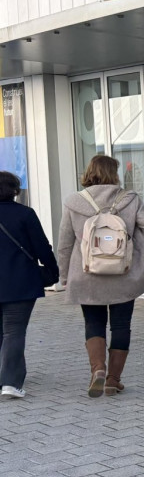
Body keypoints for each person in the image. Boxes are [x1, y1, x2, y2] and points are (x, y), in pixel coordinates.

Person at [58, 155, 144, 398]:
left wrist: (64, 275)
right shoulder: (129, 199)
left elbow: (65, 243)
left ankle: (98, 370)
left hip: (86, 275)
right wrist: (138, 252)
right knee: (121, 325)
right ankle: (113, 380)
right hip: (124, 275)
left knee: (93, 323)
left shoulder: (74, 202)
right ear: (115, 174)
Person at [0, 171, 58, 399]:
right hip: (20, 283)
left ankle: (6, 376)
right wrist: (53, 271)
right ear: (15, 191)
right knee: (14, 331)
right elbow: (42, 247)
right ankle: (10, 383)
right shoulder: (25, 214)